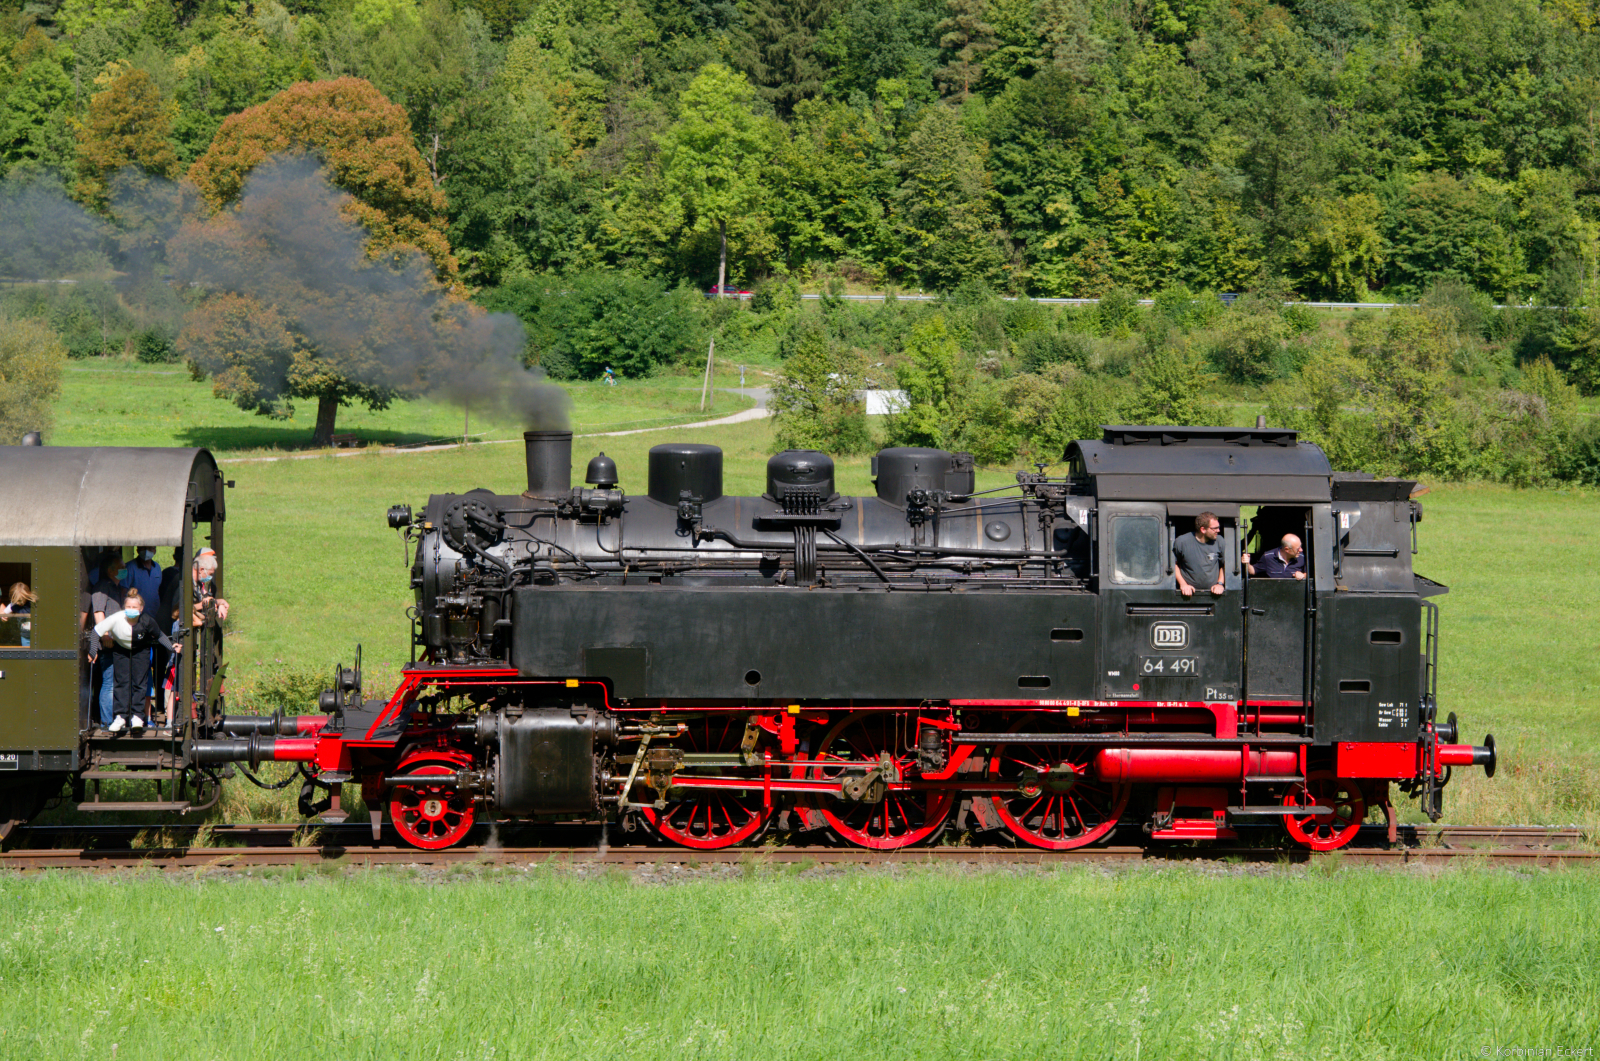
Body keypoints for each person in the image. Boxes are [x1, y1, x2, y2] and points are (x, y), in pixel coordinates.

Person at [93, 588, 178, 733]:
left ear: (141, 608)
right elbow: (96, 631)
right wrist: (92, 651)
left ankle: (138, 717)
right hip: (121, 651)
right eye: (128, 607)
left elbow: (159, 635)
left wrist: (172, 647)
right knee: (121, 683)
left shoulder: (147, 620)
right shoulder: (117, 618)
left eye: (134, 607)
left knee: (140, 683)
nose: (131, 609)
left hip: (141, 651)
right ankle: (120, 717)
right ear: (124, 607)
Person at [90, 554, 127, 728]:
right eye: (121, 567)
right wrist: (105, 635)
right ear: (111, 570)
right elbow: (98, 611)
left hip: (117, 642)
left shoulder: (118, 588)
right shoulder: (102, 587)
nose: (125, 570)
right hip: (108, 643)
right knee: (109, 684)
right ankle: (107, 722)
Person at [1174, 512, 1226, 598]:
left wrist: (1220, 584)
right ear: (1203, 529)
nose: (1218, 530)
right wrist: (1183, 584)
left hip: (1213, 594)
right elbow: (1174, 564)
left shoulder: (1220, 541)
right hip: (1188, 594)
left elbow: (1224, 564)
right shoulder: (1182, 542)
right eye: (1215, 528)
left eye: (1218, 527)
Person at [0, 582, 35, 646]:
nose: (20, 603)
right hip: (25, 636)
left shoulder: (32, 604)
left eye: (22, 600)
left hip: (35, 634)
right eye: (18, 601)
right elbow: (4, 613)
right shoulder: (13, 605)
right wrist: (4, 617)